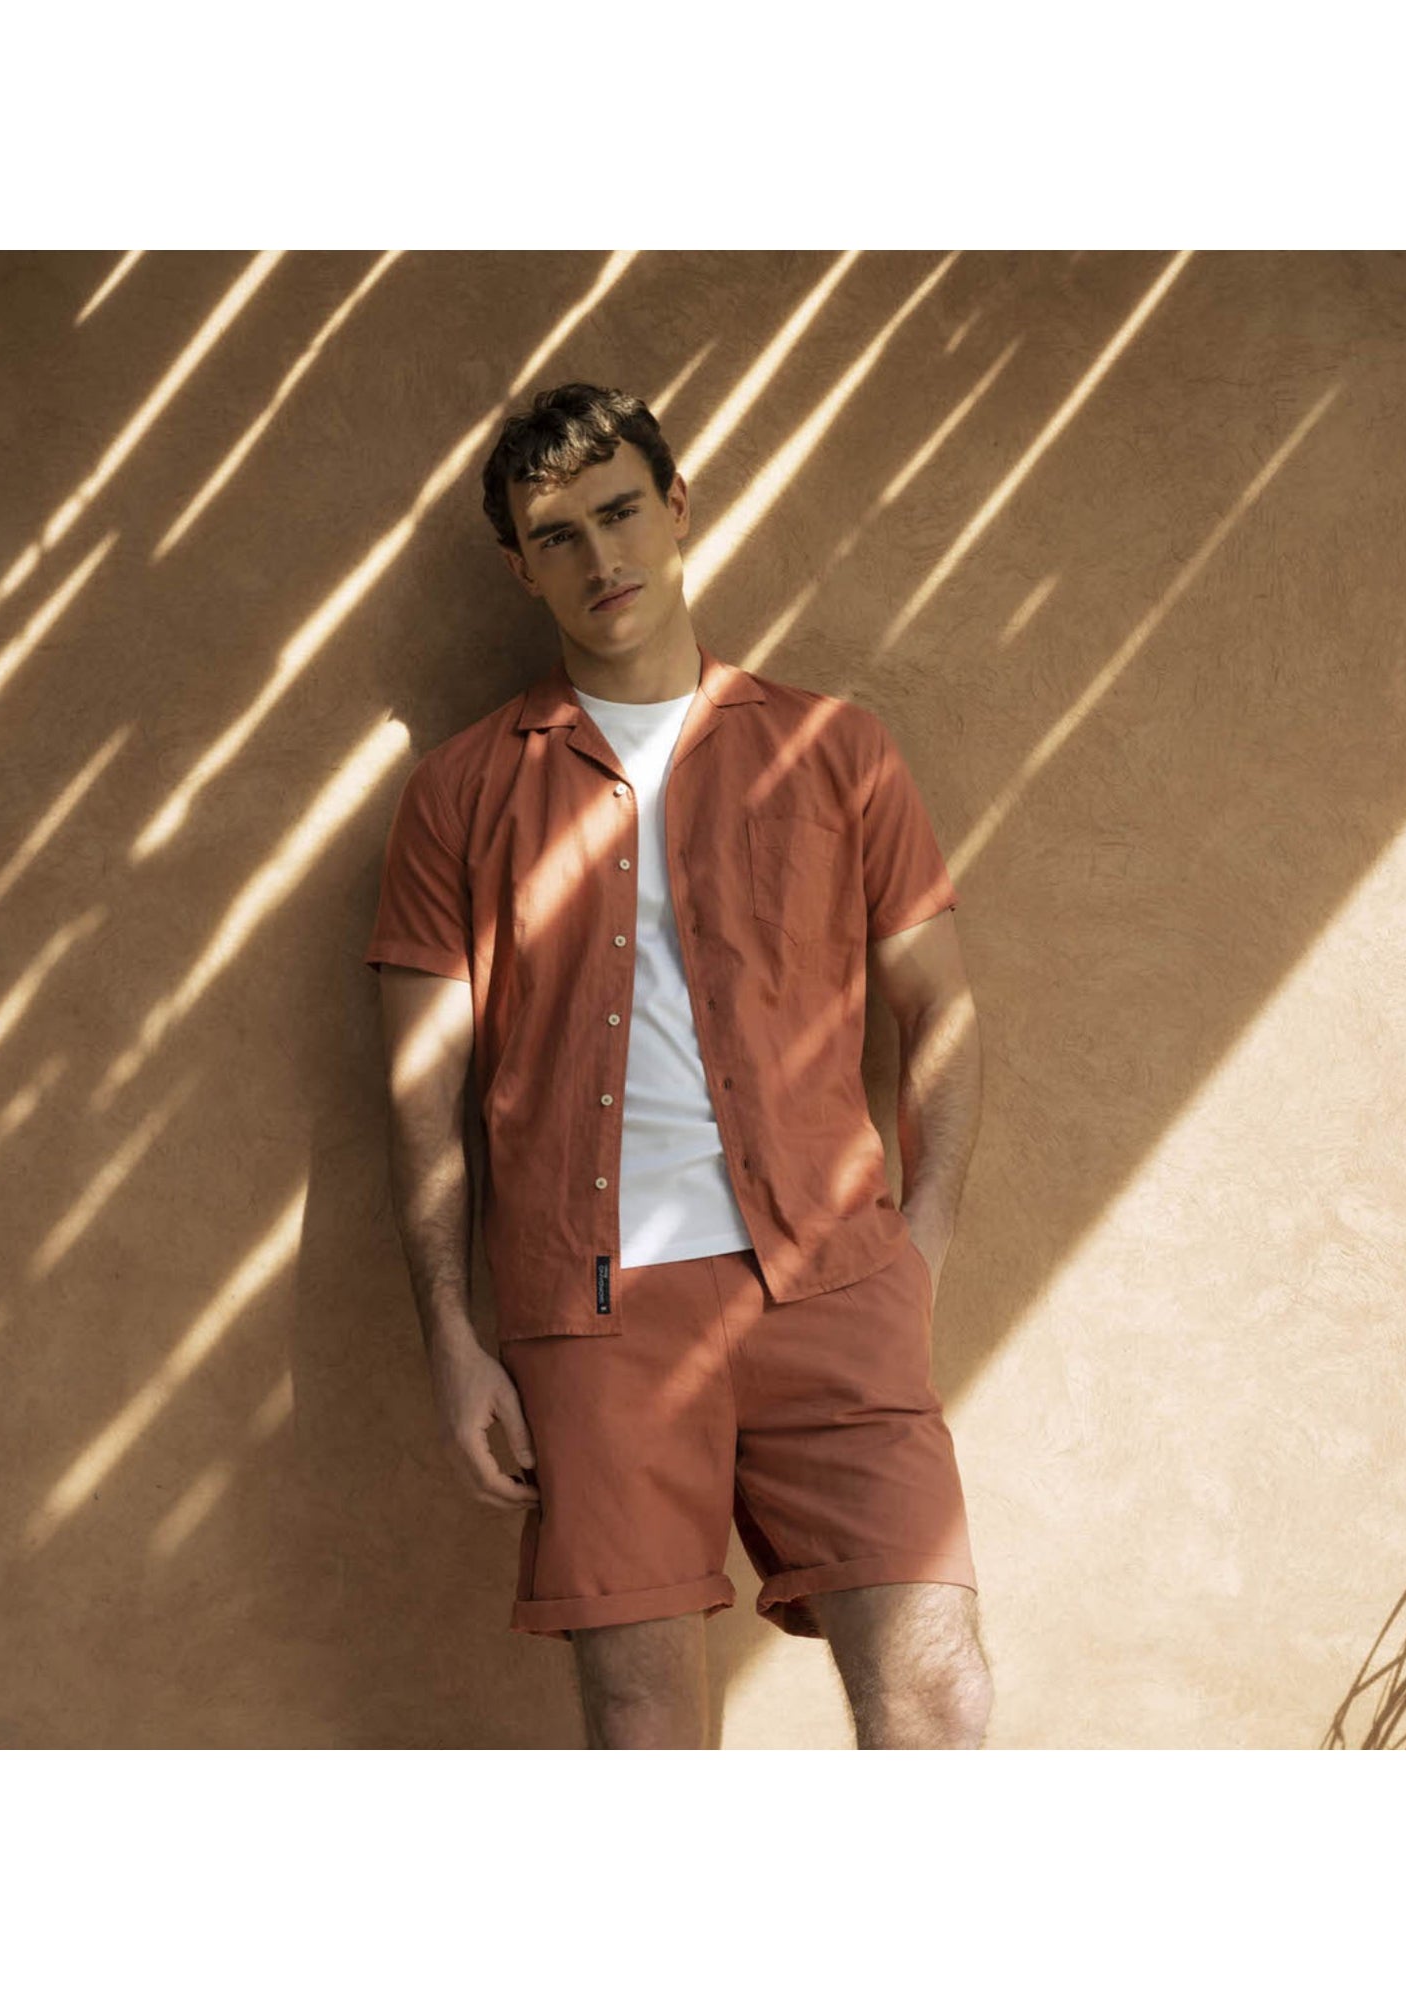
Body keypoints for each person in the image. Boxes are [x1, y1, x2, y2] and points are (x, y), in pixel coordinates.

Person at [363, 381, 991, 1750]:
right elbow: (421, 1093)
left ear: (678, 507)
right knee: (647, 1735)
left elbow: (938, 1007)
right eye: (558, 535)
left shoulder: (837, 751)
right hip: (592, 1319)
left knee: (938, 1698)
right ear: (520, 567)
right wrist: (454, 1341)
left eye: (620, 513)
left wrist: (919, 1242)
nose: (601, 560)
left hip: (834, 1285)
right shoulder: (464, 795)